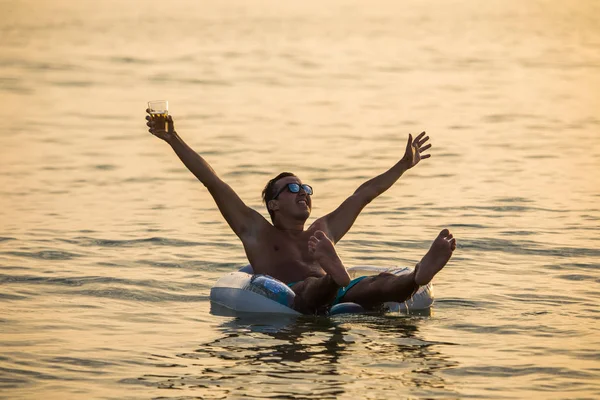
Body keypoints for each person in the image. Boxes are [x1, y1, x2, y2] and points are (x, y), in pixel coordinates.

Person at [146, 111, 456, 314]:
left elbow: (363, 194)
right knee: (310, 287)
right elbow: (212, 181)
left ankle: (419, 274)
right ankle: (335, 277)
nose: (303, 194)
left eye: (306, 189)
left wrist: (403, 164)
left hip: (338, 290)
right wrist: (172, 137)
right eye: (292, 189)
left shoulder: (320, 230)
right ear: (273, 204)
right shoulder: (257, 231)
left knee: (379, 284)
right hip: (297, 294)